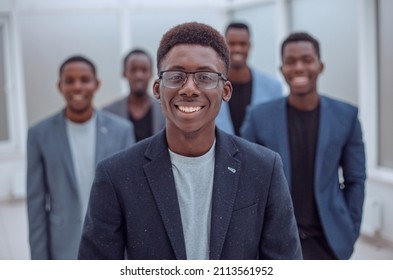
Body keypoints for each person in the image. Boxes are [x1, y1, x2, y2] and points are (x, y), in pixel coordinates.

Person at [78, 22, 302, 260]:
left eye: (205, 77)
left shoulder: (264, 169)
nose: (189, 88)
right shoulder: (116, 175)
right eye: (176, 76)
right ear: (157, 88)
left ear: (225, 90)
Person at [241, 32, 366, 260]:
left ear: (320, 66)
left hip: (328, 242)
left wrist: (350, 229)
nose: (299, 67)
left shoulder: (346, 116)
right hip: (274, 242)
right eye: (291, 61)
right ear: (282, 69)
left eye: (307, 60)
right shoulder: (259, 117)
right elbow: (244, 180)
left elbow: (355, 180)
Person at [26, 55, 135, 259]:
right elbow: (36, 206)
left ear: (96, 84)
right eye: (70, 81)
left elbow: (130, 199)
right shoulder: (39, 135)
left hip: (111, 245)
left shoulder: (121, 130)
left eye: (85, 80)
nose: (77, 87)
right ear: (60, 86)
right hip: (63, 246)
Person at [215, 22, 283, 136]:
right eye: (232, 43)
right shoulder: (210, 85)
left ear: (249, 46)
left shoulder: (273, 88)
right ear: (223, 46)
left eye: (242, 44)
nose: (237, 48)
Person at [103, 49, 165, 142]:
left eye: (144, 70)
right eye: (133, 70)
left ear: (151, 73)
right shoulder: (109, 113)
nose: (139, 75)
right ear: (124, 73)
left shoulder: (165, 112)